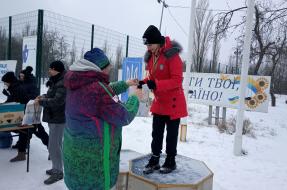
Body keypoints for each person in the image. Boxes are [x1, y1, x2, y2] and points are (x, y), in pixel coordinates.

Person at [63, 48, 141, 190]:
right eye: (108, 67)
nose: (110, 69)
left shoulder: (79, 82)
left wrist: (126, 84)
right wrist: (135, 97)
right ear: (99, 69)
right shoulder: (96, 90)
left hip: (76, 160)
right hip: (94, 169)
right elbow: (124, 115)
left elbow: (105, 90)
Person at [138, 25, 188, 174]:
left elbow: (177, 81)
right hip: (160, 101)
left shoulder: (172, 56)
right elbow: (152, 77)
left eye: (150, 44)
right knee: (156, 133)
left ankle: (170, 160)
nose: (148, 47)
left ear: (158, 42)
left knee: (171, 135)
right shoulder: (152, 55)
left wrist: (156, 84)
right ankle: (154, 159)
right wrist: (144, 82)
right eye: (146, 45)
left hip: (173, 103)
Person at [34, 61, 66, 185]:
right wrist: (42, 96)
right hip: (54, 117)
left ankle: (58, 172)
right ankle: (56, 167)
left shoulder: (62, 83)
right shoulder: (56, 80)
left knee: (54, 146)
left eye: (51, 69)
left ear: (57, 70)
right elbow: (50, 95)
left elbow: (58, 101)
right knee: (56, 145)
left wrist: (42, 102)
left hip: (58, 118)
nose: (49, 71)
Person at [11, 66, 49, 151]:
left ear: (26, 76)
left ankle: (50, 146)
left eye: (22, 76)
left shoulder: (31, 84)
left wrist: (24, 97)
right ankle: (22, 144)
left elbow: (33, 97)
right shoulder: (21, 83)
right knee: (25, 128)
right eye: (19, 76)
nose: (20, 77)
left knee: (38, 130)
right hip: (23, 109)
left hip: (31, 110)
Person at [1, 72, 30, 161]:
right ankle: (21, 153)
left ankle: (21, 154)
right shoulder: (15, 87)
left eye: (5, 82)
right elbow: (11, 101)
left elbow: (12, 103)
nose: (5, 84)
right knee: (26, 132)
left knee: (26, 131)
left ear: (9, 81)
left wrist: (3, 106)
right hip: (22, 114)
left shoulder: (16, 89)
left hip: (22, 115)